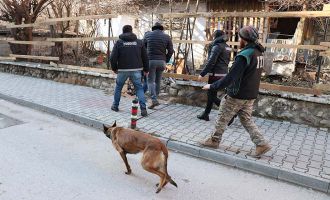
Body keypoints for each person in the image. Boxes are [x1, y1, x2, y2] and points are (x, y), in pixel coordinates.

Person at [200, 26, 271, 158]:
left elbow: (230, 77)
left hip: (237, 93)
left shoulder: (244, 56)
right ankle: (261, 144)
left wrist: (212, 86)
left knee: (222, 117)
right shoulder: (258, 52)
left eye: (240, 37)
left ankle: (214, 140)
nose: (239, 40)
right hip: (250, 94)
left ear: (244, 39)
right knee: (246, 120)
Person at [110, 25, 149, 117]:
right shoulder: (139, 42)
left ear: (123, 32)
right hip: (136, 69)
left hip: (122, 70)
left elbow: (112, 58)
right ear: (131, 31)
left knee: (119, 87)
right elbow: (145, 57)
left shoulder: (119, 43)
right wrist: (146, 69)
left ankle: (115, 106)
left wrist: (114, 68)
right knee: (139, 88)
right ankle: (143, 109)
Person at [197, 30, 231, 122]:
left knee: (211, 95)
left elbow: (211, 62)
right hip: (223, 74)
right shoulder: (228, 47)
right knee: (211, 94)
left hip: (215, 75)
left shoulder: (217, 46)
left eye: (214, 36)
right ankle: (206, 114)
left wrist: (202, 74)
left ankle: (229, 114)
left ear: (216, 36)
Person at [143, 22, 174, 109]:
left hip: (151, 61)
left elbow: (142, 48)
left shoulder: (148, 35)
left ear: (153, 28)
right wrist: (166, 60)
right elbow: (171, 51)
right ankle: (155, 100)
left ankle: (154, 99)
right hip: (162, 62)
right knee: (157, 81)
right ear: (161, 29)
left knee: (150, 81)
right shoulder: (167, 37)